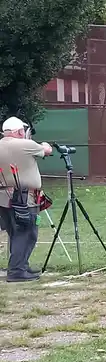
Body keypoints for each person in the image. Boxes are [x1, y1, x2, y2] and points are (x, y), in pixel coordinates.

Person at [0, 117, 52, 282]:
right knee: (27, 233)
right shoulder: (26, 145)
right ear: (19, 132)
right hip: (24, 198)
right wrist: (41, 143)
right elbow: (46, 150)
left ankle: (20, 265)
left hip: (3, 198)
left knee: (14, 232)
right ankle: (16, 271)